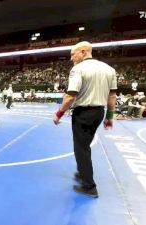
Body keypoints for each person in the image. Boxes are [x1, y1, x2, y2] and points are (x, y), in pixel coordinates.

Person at [53, 41, 117, 198]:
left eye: (73, 54)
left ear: (83, 52)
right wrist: (109, 116)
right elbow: (112, 95)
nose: (71, 58)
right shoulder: (109, 69)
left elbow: (70, 96)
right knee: (85, 144)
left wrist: (59, 113)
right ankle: (82, 172)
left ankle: (89, 186)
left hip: (83, 113)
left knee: (81, 148)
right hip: (99, 112)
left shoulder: (78, 69)